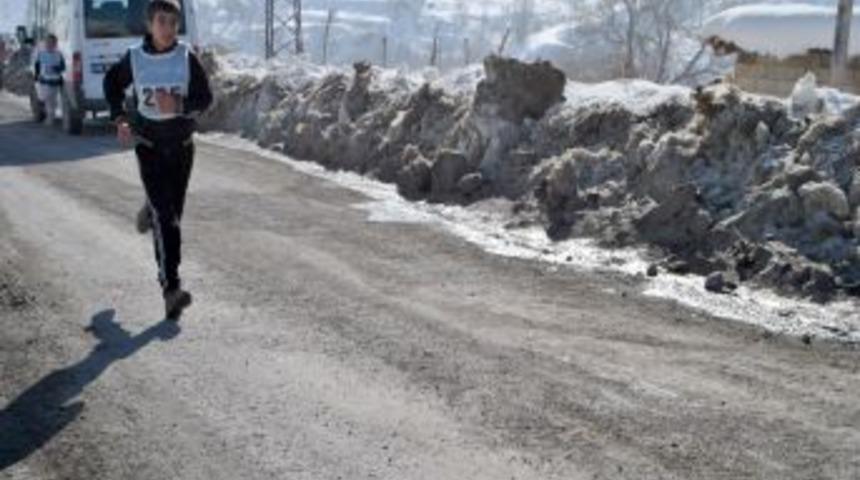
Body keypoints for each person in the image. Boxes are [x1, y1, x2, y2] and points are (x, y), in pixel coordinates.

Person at [103, 0, 213, 320]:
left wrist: (178, 104)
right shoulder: (135, 59)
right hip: (149, 146)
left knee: (171, 216)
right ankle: (171, 289)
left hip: (181, 147)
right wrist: (120, 117)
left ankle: (151, 213)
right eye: (161, 21)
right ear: (149, 25)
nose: (168, 28)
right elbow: (112, 83)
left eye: (173, 22)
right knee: (168, 220)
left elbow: (205, 99)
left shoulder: (186, 57)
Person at [33, 34, 65, 125]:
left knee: (52, 101)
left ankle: (50, 118)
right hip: (43, 80)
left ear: (55, 44)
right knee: (44, 98)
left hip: (54, 81)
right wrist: (36, 75)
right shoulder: (41, 53)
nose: (49, 44)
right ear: (45, 43)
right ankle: (47, 114)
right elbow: (37, 65)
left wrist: (56, 69)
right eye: (48, 42)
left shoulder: (58, 54)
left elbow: (63, 67)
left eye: (52, 42)